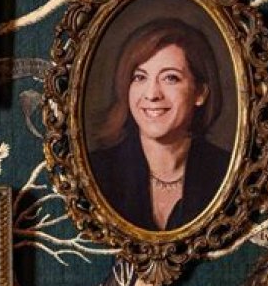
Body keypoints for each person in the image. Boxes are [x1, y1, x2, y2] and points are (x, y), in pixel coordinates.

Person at [89, 18, 230, 231]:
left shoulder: (227, 171)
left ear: (200, 93)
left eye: (170, 78)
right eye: (140, 77)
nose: (152, 94)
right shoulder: (97, 172)